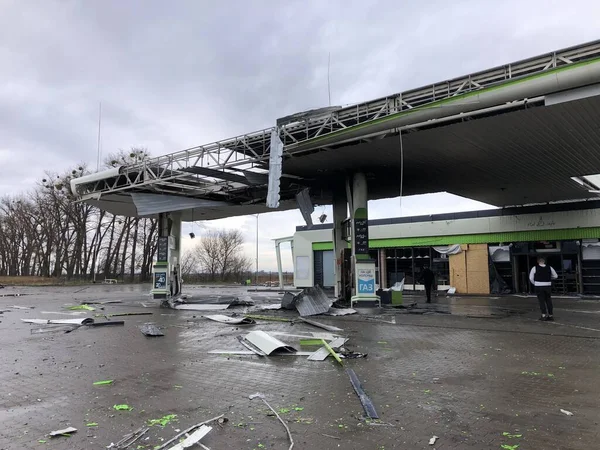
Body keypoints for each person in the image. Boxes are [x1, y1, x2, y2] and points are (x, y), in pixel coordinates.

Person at [529, 257, 558, 321]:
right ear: (544, 261)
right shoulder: (549, 267)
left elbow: (531, 278)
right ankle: (550, 315)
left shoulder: (534, 268)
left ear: (538, 262)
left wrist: (535, 283)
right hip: (547, 285)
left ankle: (543, 315)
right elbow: (556, 276)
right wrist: (549, 278)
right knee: (548, 300)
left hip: (538, 286)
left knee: (541, 301)